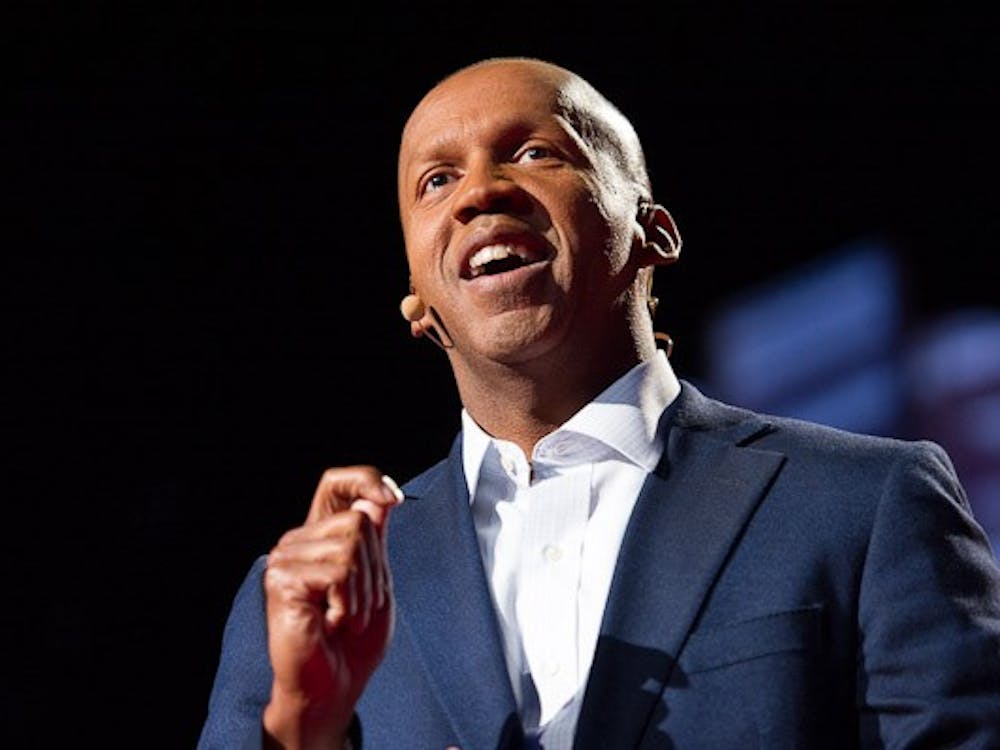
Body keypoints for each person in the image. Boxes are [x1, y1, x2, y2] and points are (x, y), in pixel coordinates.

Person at [198, 57, 1000, 749]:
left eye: (535, 151)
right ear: (418, 300)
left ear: (653, 232)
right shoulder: (311, 592)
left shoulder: (862, 504)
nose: (480, 192)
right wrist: (305, 724)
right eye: (436, 181)